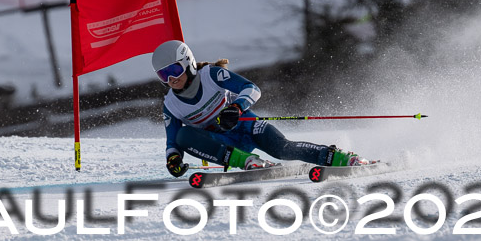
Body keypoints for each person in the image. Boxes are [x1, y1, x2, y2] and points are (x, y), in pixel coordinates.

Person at [151, 40, 365, 177]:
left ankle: (340, 158)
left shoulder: (212, 75)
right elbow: (173, 141)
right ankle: (247, 161)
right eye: (163, 75)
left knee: (283, 149)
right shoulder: (171, 105)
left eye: (174, 70)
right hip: (224, 145)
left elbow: (252, 89)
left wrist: (236, 107)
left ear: (187, 62)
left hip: (247, 127)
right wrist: (174, 159)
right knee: (184, 135)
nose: (171, 79)